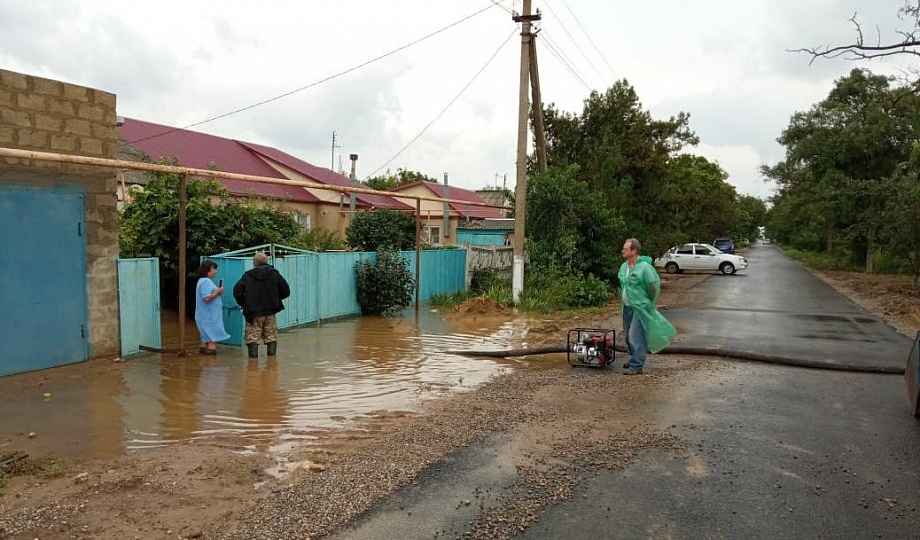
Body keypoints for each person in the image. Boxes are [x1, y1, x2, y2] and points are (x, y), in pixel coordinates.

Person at [617, 238, 676, 375]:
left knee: (635, 335)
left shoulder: (645, 268)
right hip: (626, 306)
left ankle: (637, 366)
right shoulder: (624, 266)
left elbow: (653, 286)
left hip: (640, 307)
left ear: (634, 251)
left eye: (625, 249)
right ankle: (633, 358)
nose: (623, 251)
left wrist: (648, 301)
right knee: (627, 335)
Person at [233, 252, 291, 358]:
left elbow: (237, 291)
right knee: (271, 337)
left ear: (254, 263)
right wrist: (274, 300)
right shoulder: (275, 274)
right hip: (270, 311)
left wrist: (246, 304)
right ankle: (272, 364)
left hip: (253, 313)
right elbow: (286, 291)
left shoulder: (247, 276)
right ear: (266, 261)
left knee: (252, 339)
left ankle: (252, 366)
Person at [195, 260, 230, 355]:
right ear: (207, 270)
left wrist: (218, 292)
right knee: (212, 340)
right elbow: (206, 298)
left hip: (206, 316)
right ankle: (212, 367)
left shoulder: (203, 281)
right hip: (209, 317)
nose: (215, 271)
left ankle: (204, 364)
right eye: (214, 269)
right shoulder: (205, 281)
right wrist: (218, 292)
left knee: (206, 340)